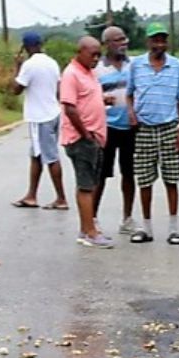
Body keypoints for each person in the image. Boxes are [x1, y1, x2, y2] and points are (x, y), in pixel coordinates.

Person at [127, 22, 179, 244]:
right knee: (144, 179)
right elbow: (129, 94)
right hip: (144, 128)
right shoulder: (136, 65)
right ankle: (146, 228)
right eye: (155, 40)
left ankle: (174, 229)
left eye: (163, 40)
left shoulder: (177, 67)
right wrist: (131, 113)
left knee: (171, 178)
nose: (159, 44)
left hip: (168, 128)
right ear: (148, 42)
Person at [59, 34, 114, 248]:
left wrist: (102, 101)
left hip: (95, 137)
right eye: (93, 54)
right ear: (80, 52)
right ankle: (90, 232)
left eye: (99, 55)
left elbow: (86, 99)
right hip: (81, 139)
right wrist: (85, 134)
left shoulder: (89, 73)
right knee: (86, 186)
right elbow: (70, 107)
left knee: (90, 184)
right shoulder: (71, 74)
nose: (96, 59)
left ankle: (86, 227)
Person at [12, 30, 67, 210]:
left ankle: (61, 198)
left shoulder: (29, 65)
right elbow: (58, 89)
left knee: (50, 157)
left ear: (26, 47)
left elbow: (16, 89)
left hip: (39, 116)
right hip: (53, 112)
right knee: (36, 155)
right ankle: (31, 195)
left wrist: (17, 67)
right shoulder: (52, 63)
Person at [93, 25, 139, 236]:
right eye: (118, 40)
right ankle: (92, 218)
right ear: (107, 44)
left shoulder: (135, 66)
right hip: (107, 127)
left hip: (130, 127)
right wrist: (101, 99)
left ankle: (127, 218)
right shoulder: (97, 69)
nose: (124, 43)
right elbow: (88, 96)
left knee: (129, 173)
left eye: (124, 38)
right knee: (100, 175)